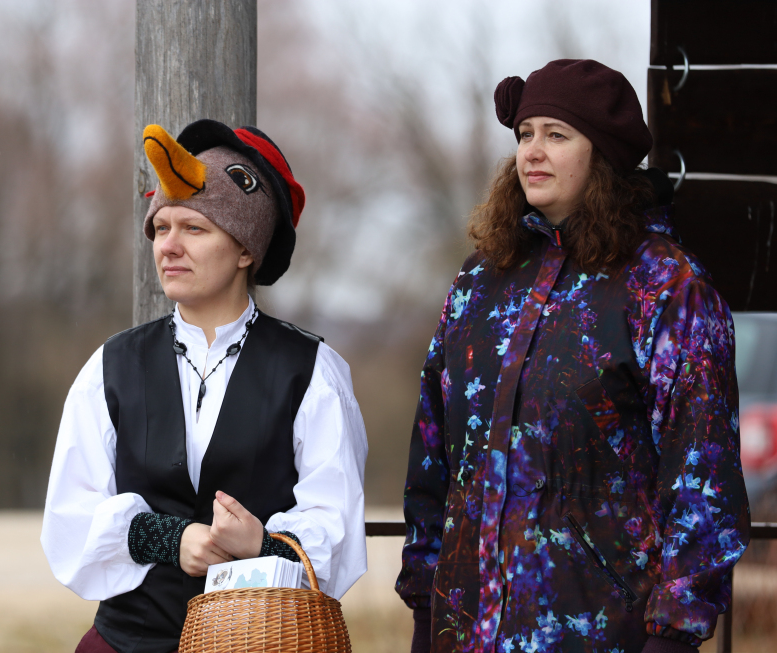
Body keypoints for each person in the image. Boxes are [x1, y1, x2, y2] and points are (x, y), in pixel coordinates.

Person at [396, 59, 749, 653]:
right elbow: (433, 455)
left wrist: (673, 634)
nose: (532, 152)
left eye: (556, 135)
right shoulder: (479, 282)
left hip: (600, 633)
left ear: (602, 155)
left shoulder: (665, 286)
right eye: (525, 134)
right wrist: (425, 607)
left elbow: (702, 480)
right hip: (463, 630)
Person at [41, 119, 368, 653]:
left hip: (259, 643)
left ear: (245, 250)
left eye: (194, 228)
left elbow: (335, 533)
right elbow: (69, 519)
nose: (168, 246)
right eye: (161, 227)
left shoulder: (312, 372)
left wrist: (261, 545)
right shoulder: (111, 366)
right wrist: (170, 539)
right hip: (128, 643)